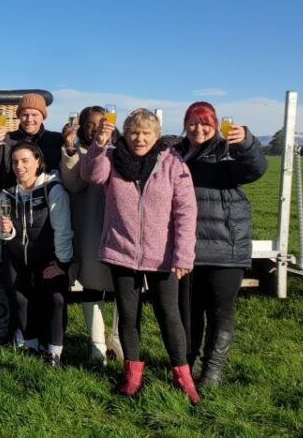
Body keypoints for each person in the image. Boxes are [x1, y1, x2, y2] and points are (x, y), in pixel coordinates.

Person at [81, 108, 201, 404]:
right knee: (129, 315)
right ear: (126, 133)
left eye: (147, 133)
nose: (139, 138)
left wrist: (184, 255)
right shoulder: (111, 157)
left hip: (162, 255)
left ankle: (183, 376)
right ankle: (132, 376)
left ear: (157, 136)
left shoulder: (172, 163)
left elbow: (186, 211)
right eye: (134, 132)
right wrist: (98, 144)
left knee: (169, 315)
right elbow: (91, 175)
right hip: (121, 250)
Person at [174, 102, 267, 387]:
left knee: (219, 312)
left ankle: (212, 372)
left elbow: (256, 169)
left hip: (225, 246)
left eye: (204, 123)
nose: (198, 129)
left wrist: (247, 143)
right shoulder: (176, 153)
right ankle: (186, 368)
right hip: (186, 249)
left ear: (215, 125)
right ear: (185, 124)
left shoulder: (227, 151)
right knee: (188, 314)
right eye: (192, 122)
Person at [0, 142, 73, 366]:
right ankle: (31, 346)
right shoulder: (6, 194)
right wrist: (7, 230)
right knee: (19, 298)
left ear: (38, 162)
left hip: (47, 255)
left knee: (55, 299)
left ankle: (53, 352)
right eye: (14, 162)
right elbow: (4, 234)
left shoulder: (53, 190)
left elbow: (63, 230)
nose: (19, 166)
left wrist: (62, 263)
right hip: (17, 254)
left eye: (25, 161)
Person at [59, 106, 123, 365]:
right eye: (90, 125)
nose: (97, 129)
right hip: (88, 226)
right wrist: (72, 151)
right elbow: (72, 184)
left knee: (123, 285)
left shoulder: (122, 151)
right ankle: (96, 345)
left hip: (119, 228)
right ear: (82, 128)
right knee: (91, 285)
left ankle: (117, 339)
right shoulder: (78, 152)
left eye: (102, 123)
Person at [0, 93, 65, 189]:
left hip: (47, 196)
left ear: (43, 117)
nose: (29, 119)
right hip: (14, 196)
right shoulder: (7, 139)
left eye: (34, 115)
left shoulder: (56, 140)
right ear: (19, 116)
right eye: (25, 114)